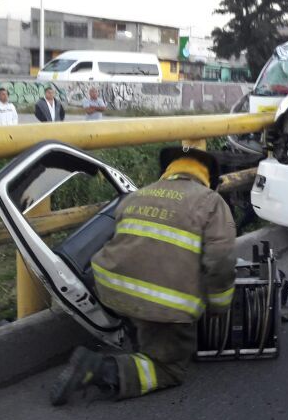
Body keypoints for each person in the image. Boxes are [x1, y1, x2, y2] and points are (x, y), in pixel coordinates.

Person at [50, 146, 237, 405]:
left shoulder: (137, 195)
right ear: (208, 179)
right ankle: (100, 368)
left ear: (168, 171)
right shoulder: (211, 202)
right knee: (169, 367)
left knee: (146, 314)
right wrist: (218, 307)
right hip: (161, 302)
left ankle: (140, 335)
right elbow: (221, 259)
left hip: (109, 289)